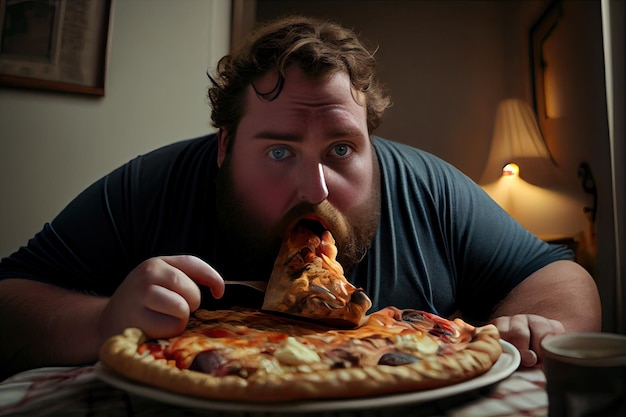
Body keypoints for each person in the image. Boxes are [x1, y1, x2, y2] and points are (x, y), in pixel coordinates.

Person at [0, 16, 600, 380]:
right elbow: (10, 298)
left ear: (372, 146)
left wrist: (536, 327)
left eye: (342, 150)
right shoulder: (149, 185)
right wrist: (103, 320)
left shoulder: (426, 185)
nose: (314, 190)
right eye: (280, 151)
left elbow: (558, 274)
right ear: (226, 146)